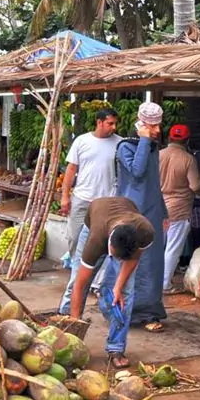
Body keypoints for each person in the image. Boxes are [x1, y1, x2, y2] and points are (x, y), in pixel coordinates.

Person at [66, 196, 156, 369]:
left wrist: (117, 288)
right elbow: (80, 285)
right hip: (95, 217)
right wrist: (75, 323)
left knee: (126, 294)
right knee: (76, 282)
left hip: (123, 213)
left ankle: (116, 348)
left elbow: (132, 260)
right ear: (109, 246)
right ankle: (66, 327)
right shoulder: (96, 240)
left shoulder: (145, 232)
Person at [56, 109, 121, 314]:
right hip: (82, 200)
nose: (113, 127)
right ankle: (79, 278)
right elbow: (71, 170)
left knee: (103, 246)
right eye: (109, 123)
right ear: (99, 122)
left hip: (106, 204)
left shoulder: (120, 143)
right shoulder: (82, 141)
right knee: (75, 241)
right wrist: (65, 197)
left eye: (114, 124)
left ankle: (87, 281)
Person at [117, 102, 169, 332]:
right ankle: (125, 309)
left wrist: (164, 211)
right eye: (153, 126)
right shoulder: (125, 147)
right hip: (132, 212)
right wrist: (144, 139)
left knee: (153, 265)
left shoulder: (151, 147)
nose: (157, 130)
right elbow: (137, 172)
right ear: (142, 124)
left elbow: (154, 184)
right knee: (133, 262)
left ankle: (149, 312)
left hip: (153, 211)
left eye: (158, 125)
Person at [159, 123, 200, 291]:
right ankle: (164, 284)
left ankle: (153, 282)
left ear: (169, 138)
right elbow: (195, 186)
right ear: (187, 140)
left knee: (157, 247)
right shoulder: (188, 159)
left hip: (159, 207)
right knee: (173, 249)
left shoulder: (158, 155)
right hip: (179, 209)